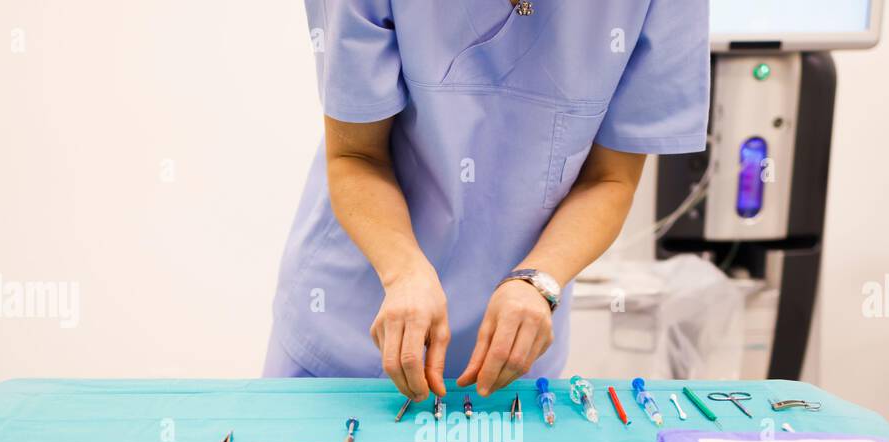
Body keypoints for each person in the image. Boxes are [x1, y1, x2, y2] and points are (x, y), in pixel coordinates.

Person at [266, 0, 709, 399]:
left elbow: (610, 180)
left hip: (511, 352)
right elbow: (356, 156)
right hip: (348, 333)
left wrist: (538, 282)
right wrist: (402, 271)